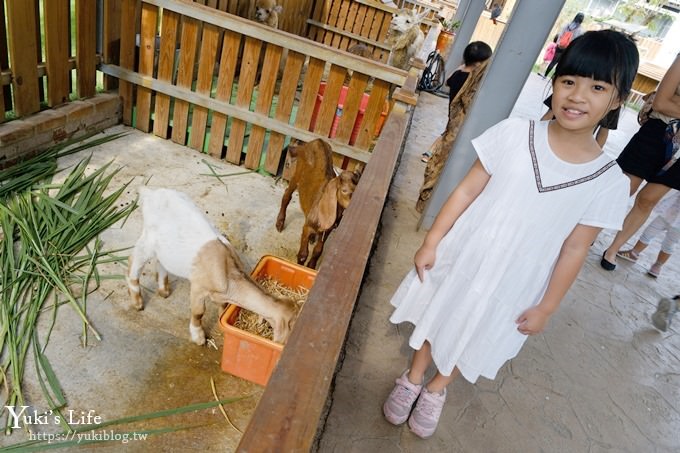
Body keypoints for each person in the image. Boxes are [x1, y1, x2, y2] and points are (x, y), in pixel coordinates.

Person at [383, 30, 638, 439]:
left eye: (597, 87)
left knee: (474, 328)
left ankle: (435, 390)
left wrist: (547, 307)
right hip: (466, 253)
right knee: (441, 313)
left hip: (516, 280)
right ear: (553, 84)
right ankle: (412, 377)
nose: (577, 96)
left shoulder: (606, 181)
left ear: (617, 98)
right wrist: (433, 240)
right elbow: (467, 189)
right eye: (568, 81)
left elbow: (575, 248)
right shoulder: (516, 133)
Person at [601, 53, 680, 271]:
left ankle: (613, 249)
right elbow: (662, 102)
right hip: (657, 133)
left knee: (648, 200)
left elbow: (669, 102)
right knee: (622, 188)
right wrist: (669, 102)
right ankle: (589, 230)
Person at [421, 41, 492, 163]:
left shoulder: (458, 73)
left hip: (452, 109)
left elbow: (448, 81)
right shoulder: (471, 81)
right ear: (479, 63)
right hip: (460, 113)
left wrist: (461, 67)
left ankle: (429, 152)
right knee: (449, 134)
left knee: (448, 131)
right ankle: (432, 153)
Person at [615, 191, 680, 278]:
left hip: (678, 226)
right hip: (667, 215)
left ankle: (658, 264)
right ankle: (634, 253)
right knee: (649, 232)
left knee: (670, 243)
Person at [541, 95, 620, 148]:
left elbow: (603, 131)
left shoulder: (612, 98)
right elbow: (549, 114)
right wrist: (539, 135)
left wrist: (593, 156)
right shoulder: (568, 87)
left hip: (579, 146)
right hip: (551, 136)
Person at [543, 13, 585, 79]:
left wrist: (558, 43)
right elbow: (577, 40)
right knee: (561, 63)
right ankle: (553, 78)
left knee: (554, 61)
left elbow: (560, 34)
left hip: (560, 45)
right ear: (582, 20)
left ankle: (545, 75)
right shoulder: (580, 30)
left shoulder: (567, 25)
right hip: (568, 48)